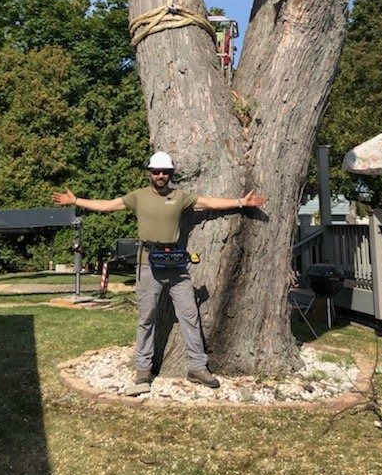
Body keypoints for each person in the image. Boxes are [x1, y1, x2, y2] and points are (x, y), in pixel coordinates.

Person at [52, 151, 267, 391]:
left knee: (189, 315)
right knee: (146, 318)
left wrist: (240, 202)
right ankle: (143, 370)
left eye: (165, 172)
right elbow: (108, 206)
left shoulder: (180, 197)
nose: (161, 175)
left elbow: (208, 202)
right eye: (156, 171)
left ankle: (197, 367)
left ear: (171, 174)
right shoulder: (138, 197)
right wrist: (76, 201)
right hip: (147, 264)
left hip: (176, 263)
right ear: (150, 173)